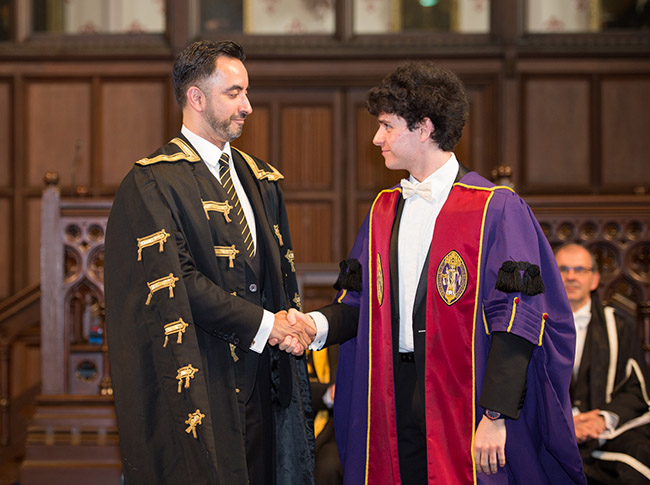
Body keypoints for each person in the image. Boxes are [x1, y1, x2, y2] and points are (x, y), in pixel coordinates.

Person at [288, 61, 586, 483]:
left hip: (466, 395)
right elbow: (358, 306)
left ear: (424, 128)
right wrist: (311, 325)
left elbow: (516, 319)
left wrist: (495, 415)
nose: (377, 138)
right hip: (394, 387)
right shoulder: (382, 210)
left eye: (387, 126)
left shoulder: (494, 208)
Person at [104, 40, 316, 484]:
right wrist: (267, 325)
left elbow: (276, 276)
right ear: (196, 98)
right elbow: (178, 282)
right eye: (234, 93)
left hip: (262, 382)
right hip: (202, 380)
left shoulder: (260, 178)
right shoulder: (152, 182)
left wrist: (289, 327)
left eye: (246, 92)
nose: (248, 106)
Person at [555, 243, 650, 483]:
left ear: (594, 279)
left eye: (580, 269)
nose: (571, 276)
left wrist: (603, 419)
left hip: (605, 436)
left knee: (638, 456)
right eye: (563, 269)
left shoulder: (618, 325)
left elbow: (636, 389)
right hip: (551, 430)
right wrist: (565, 421)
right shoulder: (533, 325)